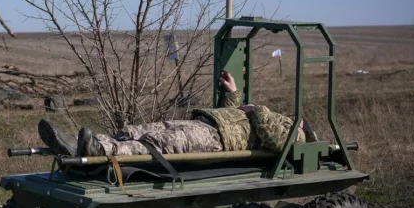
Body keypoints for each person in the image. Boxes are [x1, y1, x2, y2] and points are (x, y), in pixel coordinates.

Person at [38, 71, 317, 157]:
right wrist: (234, 95)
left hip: (218, 139)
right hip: (209, 122)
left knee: (161, 143)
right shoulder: (283, 120)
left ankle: (99, 150)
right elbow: (239, 115)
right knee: (141, 129)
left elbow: (273, 139)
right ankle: (83, 143)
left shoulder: (298, 137)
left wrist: (259, 110)